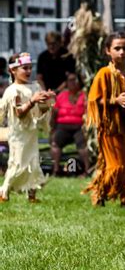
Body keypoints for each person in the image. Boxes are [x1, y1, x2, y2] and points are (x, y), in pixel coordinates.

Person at [83, 32, 125, 208]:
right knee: (112, 163)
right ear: (107, 51)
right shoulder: (103, 73)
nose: (121, 52)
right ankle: (101, 193)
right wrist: (115, 101)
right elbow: (94, 100)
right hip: (110, 127)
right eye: (117, 48)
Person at [0, 53, 55, 203]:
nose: (29, 71)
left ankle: (31, 195)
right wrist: (32, 101)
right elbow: (19, 113)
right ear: (13, 70)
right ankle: (4, 192)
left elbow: (38, 112)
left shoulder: (35, 86)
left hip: (31, 133)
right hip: (18, 134)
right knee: (17, 163)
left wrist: (46, 101)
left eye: (30, 68)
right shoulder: (13, 91)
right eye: (25, 68)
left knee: (33, 162)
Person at [50, 72, 88, 176]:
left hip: (79, 126)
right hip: (63, 126)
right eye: (70, 80)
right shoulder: (62, 95)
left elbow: (88, 112)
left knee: (83, 145)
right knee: (55, 142)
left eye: (75, 80)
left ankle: (87, 171)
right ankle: (56, 170)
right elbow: (54, 112)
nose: (73, 83)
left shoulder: (84, 96)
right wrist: (52, 129)